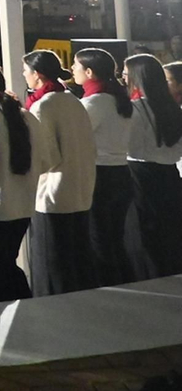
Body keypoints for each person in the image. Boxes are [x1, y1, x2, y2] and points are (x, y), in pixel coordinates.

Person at [22, 49, 97, 295]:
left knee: (52, 266)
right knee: (76, 261)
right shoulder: (73, 100)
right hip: (80, 190)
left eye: (26, 71)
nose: (24, 75)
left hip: (52, 195)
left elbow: (48, 158)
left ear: (37, 74)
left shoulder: (43, 106)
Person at [0, 62, 44, 301]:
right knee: (5, 263)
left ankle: (14, 307)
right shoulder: (26, 117)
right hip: (23, 206)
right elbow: (46, 160)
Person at [73, 48, 134, 285]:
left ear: (89, 72)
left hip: (100, 175)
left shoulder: (94, 103)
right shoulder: (118, 99)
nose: (72, 70)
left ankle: (108, 285)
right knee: (115, 237)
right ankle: (125, 281)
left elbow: (76, 138)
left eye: (76, 66)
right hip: (122, 172)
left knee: (98, 238)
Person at [123, 54, 182, 278]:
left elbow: (130, 146)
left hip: (140, 175)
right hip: (170, 174)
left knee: (145, 233)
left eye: (126, 74)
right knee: (170, 230)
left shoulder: (135, 109)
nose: (123, 79)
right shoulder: (173, 108)